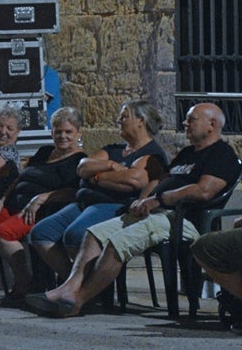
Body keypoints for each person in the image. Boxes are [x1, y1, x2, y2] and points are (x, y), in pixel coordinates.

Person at [28, 103, 241, 318]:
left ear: (212, 125)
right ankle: (68, 289)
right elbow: (161, 179)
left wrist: (160, 199)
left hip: (180, 218)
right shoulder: (187, 153)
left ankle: (78, 300)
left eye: (191, 119)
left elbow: (203, 191)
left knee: (117, 242)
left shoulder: (221, 154)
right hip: (154, 212)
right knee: (94, 234)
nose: (184, 123)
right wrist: (144, 199)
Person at [30, 100, 168, 279]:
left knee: (74, 235)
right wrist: (111, 166)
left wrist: (95, 177)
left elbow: (133, 180)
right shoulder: (114, 150)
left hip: (111, 206)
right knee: (41, 233)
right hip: (83, 203)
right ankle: (73, 284)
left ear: (140, 121)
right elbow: (82, 167)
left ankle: (84, 290)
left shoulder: (151, 154)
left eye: (124, 116)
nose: (119, 120)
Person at [0, 106, 85, 305]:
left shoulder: (80, 160)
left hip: (40, 211)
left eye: (68, 132)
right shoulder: (45, 152)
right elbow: (23, 176)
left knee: (4, 233)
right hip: (13, 204)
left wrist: (41, 199)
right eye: (58, 131)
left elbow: (73, 191)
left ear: (78, 133)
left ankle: (24, 283)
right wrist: (5, 196)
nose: (62, 136)